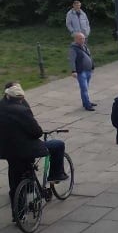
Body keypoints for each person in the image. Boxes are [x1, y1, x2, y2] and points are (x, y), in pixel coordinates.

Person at [0, 83, 67, 217]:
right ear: (20, 98)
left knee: (15, 181)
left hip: (7, 150)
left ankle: (18, 214)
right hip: (26, 149)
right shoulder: (22, 111)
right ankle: (56, 175)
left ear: (7, 96)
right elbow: (36, 132)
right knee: (58, 145)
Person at [69, 32, 96, 111]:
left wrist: (92, 66)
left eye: (83, 38)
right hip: (81, 71)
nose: (83, 40)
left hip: (88, 70)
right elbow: (72, 60)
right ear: (76, 39)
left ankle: (86, 102)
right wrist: (73, 71)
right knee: (84, 88)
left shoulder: (84, 46)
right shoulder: (73, 49)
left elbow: (89, 56)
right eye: (81, 39)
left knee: (86, 88)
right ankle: (87, 105)